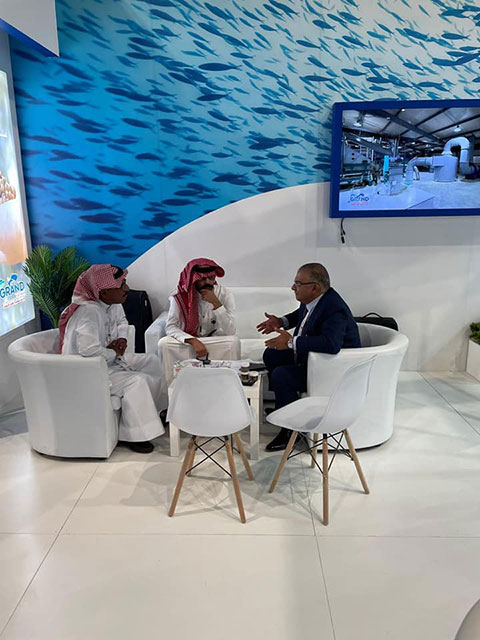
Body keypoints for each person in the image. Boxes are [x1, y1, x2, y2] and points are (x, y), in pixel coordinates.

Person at [59, 264, 165, 454]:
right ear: (104, 292)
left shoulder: (112, 304)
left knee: (152, 361)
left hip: (108, 361)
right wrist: (113, 353)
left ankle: (157, 413)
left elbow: (122, 322)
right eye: (121, 285)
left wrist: (122, 339)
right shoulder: (89, 311)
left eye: (124, 283)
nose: (127, 289)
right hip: (87, 371)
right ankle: (135, 435)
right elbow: (88, 351)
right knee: (136, 381)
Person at [257, 263, 360, 452]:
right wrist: (281, 321)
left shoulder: (334, 309)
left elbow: (331, 344)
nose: (292, 287)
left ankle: (290, 432)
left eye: (298, 283)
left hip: (330, 369)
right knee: (272, 354)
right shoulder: (316, 299)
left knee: (282, 375)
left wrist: (291, 342)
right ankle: (284, 407)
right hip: (313, 360)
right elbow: (302, 314)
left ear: (315, 287)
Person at [160, 258, 239, 385]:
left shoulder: (225, 294)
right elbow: (170, 327)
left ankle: (229, 385)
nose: (208, 282)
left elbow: (230, 331)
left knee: (233, 342)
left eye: (211, 278)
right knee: (164, 343)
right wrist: (193, 341)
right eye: (202, 279)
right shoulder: (179, 296)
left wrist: (216, 303)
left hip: (212, 341)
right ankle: (171, 388)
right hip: (189, 343)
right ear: (193, 279)